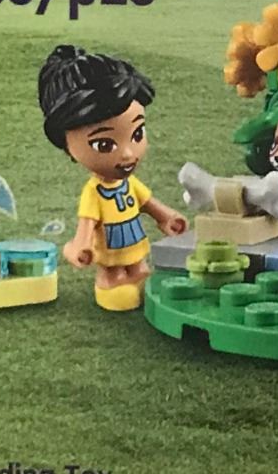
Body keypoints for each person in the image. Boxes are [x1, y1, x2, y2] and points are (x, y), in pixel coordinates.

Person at [38, 46, 187, 311]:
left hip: (133, 241)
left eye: (137, 134)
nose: (128, 154)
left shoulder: (130, 184)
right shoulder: (94, 192)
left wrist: (166, 217)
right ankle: (110, 283)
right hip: (109, 249)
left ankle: (136, 276)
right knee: (115, 276)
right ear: (67, 146)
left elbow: (148, 203)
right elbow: (87, 224)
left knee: (140, 270)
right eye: (104, 144)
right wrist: (81, 246)